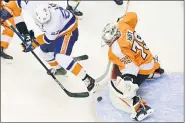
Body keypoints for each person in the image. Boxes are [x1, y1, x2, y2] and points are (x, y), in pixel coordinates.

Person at [21, 3, 97, 94]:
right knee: (43, 52)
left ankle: (87, 79)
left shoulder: (54, 22)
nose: (45, 23)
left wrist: (33, 44)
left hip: (69, 31)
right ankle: (59, 69)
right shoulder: (37, 8)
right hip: (58, 31)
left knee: (61, 58)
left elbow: (47, 39)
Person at [101, 12, 164, 121]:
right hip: (149, 60)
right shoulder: (122, 24)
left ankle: (139, 108)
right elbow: (133, 15)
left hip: (143, 69)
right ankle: (156, 70)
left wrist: (128, 82)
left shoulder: (116, 49)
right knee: (137, 58)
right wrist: (120, 19)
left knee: (119, 90)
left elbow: (131, 67)